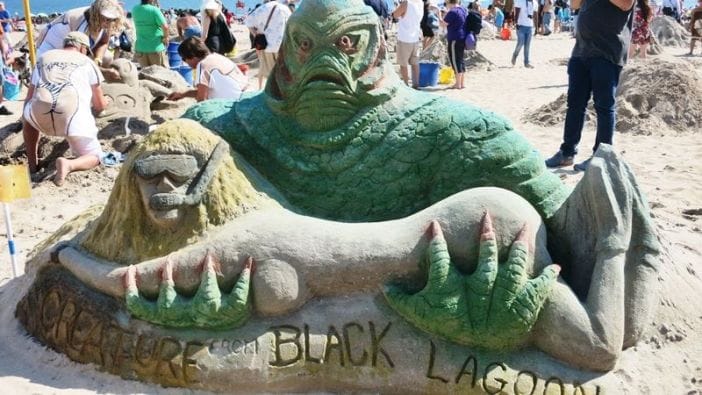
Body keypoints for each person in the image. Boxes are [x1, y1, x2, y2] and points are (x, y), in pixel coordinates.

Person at [544, 0, 635, 171]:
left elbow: (626, 4)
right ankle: (567, 152)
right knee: (575, 105)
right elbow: (575, 5)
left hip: (607, 53)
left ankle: (601, 157)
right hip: (581, 51)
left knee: (604, 106)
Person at [22, 32, 108, 186]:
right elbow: (99, 104)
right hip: (71, 115)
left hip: (39, 114)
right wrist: (105, 102)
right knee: (95, 156)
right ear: (82, 48)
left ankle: (32, 165)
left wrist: (27, 117)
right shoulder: (87, 62)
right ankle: (69, 164)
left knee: (28, 113)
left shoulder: (43, 58)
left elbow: (29, 96)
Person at [35, 0, 124, 63]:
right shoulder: (80, 22)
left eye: (112, 19)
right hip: (50, 50)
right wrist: (101, 70)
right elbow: (77, 59)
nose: (109, 22)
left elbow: (103, 42)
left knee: (106, 58)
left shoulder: (106, 23)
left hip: (75, 51)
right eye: (106, 19)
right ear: (97, 14)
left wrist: (98, 59)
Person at [168, 37, 249, 102]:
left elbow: (201, 99)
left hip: (235, 106)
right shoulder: (217, 57)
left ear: (192, 56)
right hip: (246, 99)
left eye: (184, 59)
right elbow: (204, 91)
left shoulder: (203, 65)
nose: (185, 62)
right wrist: (182, 94)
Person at [245, 0, 291, 89]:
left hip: (266, 46)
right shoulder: (285, 9)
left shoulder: (263, 8)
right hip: (282, 46)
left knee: (269, 72)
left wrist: (256, 34)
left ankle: (269, 91)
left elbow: (248, 22)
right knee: (282, 72)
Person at [392, 0, 423, 88]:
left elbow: (395, 15)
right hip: (415, 37)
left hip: (404, 37)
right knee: (415, 63)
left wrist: (397, 6)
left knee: (403, 64)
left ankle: (406, 85)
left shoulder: (406, 3)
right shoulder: (420, 3)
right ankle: (416, 84)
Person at [132, 0, 169, 68]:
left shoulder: (135, 9)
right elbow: (165, 27)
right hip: (155, 47)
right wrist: (165, 38)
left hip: (140, 48)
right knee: (159, 73)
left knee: (146, 73)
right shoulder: (154, 10)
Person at [441, 0, 467, 89]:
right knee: (460, 60)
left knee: (455, 61)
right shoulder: (462, 9)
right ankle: (462, 83)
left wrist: (438, 15)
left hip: (454, 39)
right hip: (462, 37)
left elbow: (443, 24)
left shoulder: (452, 12)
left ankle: (458, 84)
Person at [511, 0, 536, 68]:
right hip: (521, 26)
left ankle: (526, 63)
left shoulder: (535, 3)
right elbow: (516, 13)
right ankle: (515, 55)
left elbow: (535, 15)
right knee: (520, 43)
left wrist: (536, 27)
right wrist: (516, 23)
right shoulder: (520, 1)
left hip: (530, 27)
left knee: (527, 46)